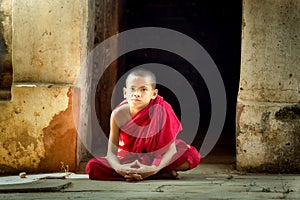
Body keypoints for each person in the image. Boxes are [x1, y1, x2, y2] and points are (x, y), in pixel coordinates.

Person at [86, 68, 201, 181]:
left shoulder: (161, 109)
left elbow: (171, 150)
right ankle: (154, 174)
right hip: (129, 159)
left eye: (143, 89)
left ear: (154, 94)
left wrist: (154, 169)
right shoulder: (118, 115)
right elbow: (111, 152)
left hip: (157, 158)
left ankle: (149, 173)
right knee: (92, 167)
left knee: (192, 155)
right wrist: (119, 168)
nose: (136, 94)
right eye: (132, 89)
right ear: (125, 93)